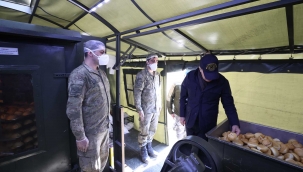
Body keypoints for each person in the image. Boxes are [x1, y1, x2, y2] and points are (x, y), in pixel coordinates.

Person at [66, 40, 110, 172]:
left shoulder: (101, 73)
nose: (104, 55)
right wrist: (80, 136)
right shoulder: (79, 75)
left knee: (101, 164)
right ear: (90, 53)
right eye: (101, 52)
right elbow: (73, 109)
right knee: (90, 168)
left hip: (104, 129)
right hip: (90, 134)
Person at [180, 53, 240, 141]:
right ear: (200, 69)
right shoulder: (190, 77)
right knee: (190, 144)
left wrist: (234, 123)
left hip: (208, 124)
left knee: (204, 149)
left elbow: (229, 104)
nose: (210, 78)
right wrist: (182, 115)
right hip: (190, 120)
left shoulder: (223, 82)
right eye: (207, 74)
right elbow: (183, 97)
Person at [134, 54, 161, 163]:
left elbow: (158, 91)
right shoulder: (141, 75)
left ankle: (149, 147)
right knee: (144, 131)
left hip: (155, 108)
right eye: (153, 60)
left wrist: (159, 105)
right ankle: (143, 150)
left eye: (157, 61)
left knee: (152, 129)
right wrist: (139, 109)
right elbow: (137, 93)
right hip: (145, 110)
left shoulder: (157, 74)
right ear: (147, 62)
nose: (155, 63)